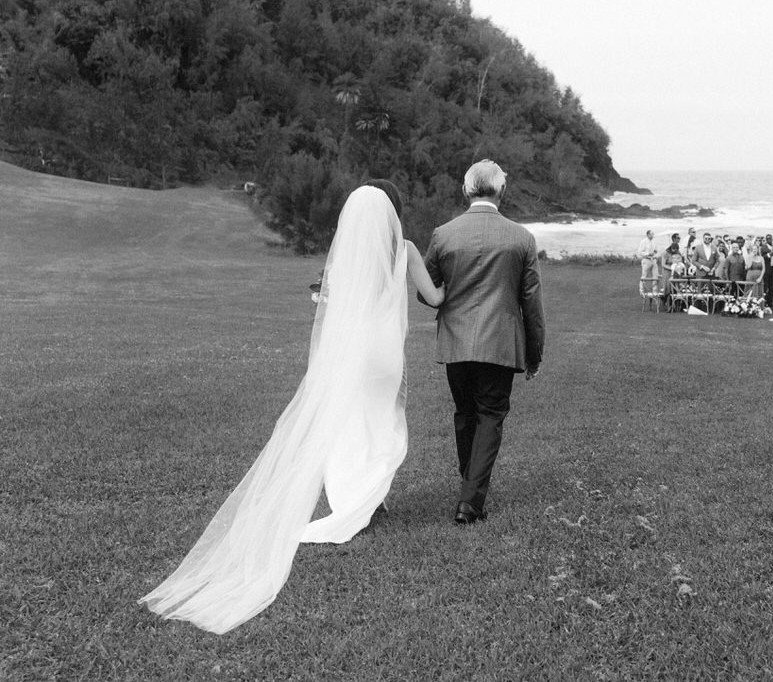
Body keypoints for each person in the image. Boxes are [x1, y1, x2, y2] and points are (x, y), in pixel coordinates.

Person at [140, 185, 445, 634]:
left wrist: (321, 302)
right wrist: (452, 280)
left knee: (344, 425)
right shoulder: (406, 248)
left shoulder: (346, 253)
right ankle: (369, 500)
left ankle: (352, 503)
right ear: (394, 213)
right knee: (384, 423)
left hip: (351, 351)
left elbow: (330, 305)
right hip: (383, 355)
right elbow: (434, 299)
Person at [423, 160, 545, 525]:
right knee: (490, 415)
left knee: (465, 413)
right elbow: (532, 304)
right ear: (501, 191)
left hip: (456, 341)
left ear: (466, 190)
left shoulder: (443, 234)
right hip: (500, 342)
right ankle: (470, 501)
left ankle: (469, 488)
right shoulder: (521, 238)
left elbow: (428, 291)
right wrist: (534, 354)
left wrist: (451, 292)